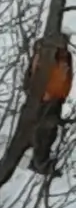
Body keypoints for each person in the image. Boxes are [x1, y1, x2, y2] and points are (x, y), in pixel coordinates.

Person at [29, 34, 73, 177]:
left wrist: (63, 94)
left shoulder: (66, 55)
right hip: (47, 96)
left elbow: (67, 76)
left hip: (58, 96)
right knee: (44, 131)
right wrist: (42, 93)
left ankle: (41, 161)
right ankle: (40, 163)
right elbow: (35, 73)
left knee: (50, 131)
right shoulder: (46, 53)